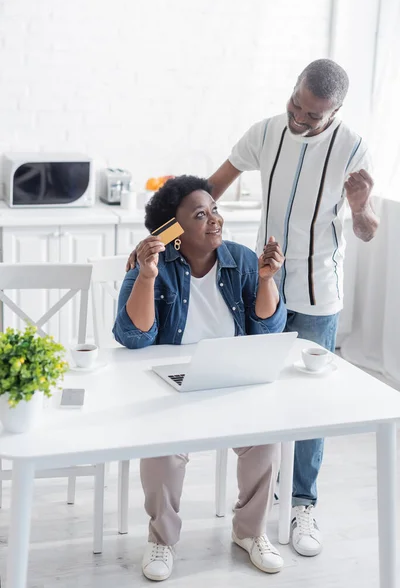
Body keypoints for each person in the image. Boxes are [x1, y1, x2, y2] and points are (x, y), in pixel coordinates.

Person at [126, 59, 380, 558]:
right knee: (260, 403)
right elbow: (208, 193)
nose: (299, 119)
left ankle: (303, 504)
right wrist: (159, 239)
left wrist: (359, 206)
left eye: (311, 115)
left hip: (316, 295)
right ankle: (249, 520)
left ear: (335, 111)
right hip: (260, 289)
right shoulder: (266, 133)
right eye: (296, 105)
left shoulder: (354, 148)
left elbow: (368, 230)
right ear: (294, 91)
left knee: (310, 407)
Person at [114, 175, 287, 581]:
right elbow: (132, 338)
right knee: (162, 450)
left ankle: (250, 532)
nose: (214, 220)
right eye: (200, 215)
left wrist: (266, 280)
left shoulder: (242, 261)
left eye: (214, 210)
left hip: (231, 380)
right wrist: (146, 276)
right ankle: (162, 538)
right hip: (170, 386)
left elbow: (267, 329)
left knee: (265, 440)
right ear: (173, 232)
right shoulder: (153, 265)